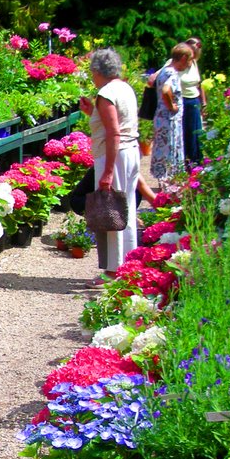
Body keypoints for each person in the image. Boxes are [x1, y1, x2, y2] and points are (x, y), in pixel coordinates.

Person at [79, 48, 140, 283]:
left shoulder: (106, 93)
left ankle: (114, 271)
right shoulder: (124, 88)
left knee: (112, 210)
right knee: (127, 209)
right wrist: (91, 112)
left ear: (97, 70)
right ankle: (128, 265)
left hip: (115, 155)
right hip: (129, 152)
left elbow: (114, 133)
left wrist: (107, 172)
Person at [150, 42, 194, 191]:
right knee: (170, 151)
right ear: (182, 58)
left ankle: (164, 182)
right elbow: (166, 90)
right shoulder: (172, 74)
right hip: (169, 119)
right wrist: (172, 106)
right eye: (189, 60)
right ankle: (169, 184)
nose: (189, 64)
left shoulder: (164, 71)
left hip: (161, 118)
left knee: (162, 150)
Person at [180, 37, 206, 165]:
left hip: (194, 102)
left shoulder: (195, 64)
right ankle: (186, 161)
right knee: (186, 134)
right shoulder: (176, 64)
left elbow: (199, 84)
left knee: (196, 134)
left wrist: (203, 102)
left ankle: (196, 162)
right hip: (182, 102)